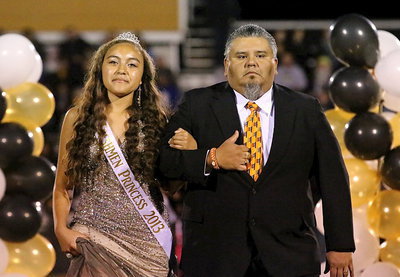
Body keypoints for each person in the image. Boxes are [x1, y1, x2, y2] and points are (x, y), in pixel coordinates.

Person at [159, 24, 355, 277]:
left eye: (260, 56)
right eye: (242, 56)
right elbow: (165, 162)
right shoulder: (197, 104)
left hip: (289, 253)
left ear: (274, 64)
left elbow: (333, 179)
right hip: (215, 254)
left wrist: (339, 245)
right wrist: (212, 158)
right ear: (227, 64)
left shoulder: (306, 109)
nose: (251, 63)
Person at [52, 32, 176, 276]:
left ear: (142, 77)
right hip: (92, 238)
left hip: (148, 245)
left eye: (132, 64)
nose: (122, 69)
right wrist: (60, 229)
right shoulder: (76, 118)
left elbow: (171, 186)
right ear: (100, 70)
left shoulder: (159, 122)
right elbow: (61, 188)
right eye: (113, 61)